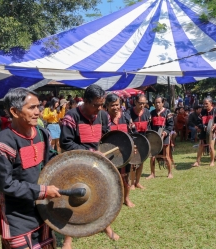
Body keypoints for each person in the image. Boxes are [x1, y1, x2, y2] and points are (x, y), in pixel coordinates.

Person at [0, 87, 60, 249]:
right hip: (16, 216)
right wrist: (43, 191)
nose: (38, 112)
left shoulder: (42, 134)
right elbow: (5, 184)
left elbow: (51, 160)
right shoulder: (2, 144)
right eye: (31, 108)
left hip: (43, 210)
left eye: (38, 107)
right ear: (14, 111)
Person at [60, 85, 119, 247]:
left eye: (101, 105)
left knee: (100, 196)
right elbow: (65, 143)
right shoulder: (71, 117)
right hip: (75, 166)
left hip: (97, 166)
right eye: (96, 105)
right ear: (85, 101)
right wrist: (91, 152)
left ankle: (105, 226)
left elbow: (106, 139)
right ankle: (68, 238)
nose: (99, 108)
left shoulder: (103, 116)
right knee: (72, 201)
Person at [105, 93, 135, 207]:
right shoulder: (104, 118)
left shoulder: (126, 116)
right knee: (111, 177)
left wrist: (134, 146)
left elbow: (133, 133)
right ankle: (113, 201)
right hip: (110, 153)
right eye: (112, 105)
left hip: (125, 152)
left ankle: (126, 199)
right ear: (107, 106)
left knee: (126, 176)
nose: (116, 107)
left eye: (117, 104)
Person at [147, 96, 174, 179]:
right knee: (152, 156)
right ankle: (152, 173)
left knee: (166, 156)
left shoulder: (167, 112)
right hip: (154, 137)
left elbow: (170, 125)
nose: (157, 104)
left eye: (159, 102)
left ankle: (170, 173)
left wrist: (165, 132)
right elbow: (149, 125)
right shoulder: (152, 113)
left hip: (164, 137)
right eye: (156, 102)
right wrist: (151, 133)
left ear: (163, 103)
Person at [127, 94, 150, 190]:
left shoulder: (147, 113)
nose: (142, 106)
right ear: (135, 102)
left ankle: (138, 182)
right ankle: (132, 183)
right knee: (132, 162)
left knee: (141, 161)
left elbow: (149, 127)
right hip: (132, 140)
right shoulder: (129, 113)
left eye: (144, 104)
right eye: (140, 103)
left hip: (143, 140)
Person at [192, 97, 216, 167]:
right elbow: (198, 122)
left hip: (212, 131)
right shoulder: (202, 112)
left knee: (211, 146)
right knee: (200, 146)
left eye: (206, 103)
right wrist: (203, 127)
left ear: (211, 103)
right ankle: (197, 162)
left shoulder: (215, 110)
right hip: (204, 131)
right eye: (204, 103)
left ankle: (212, 161)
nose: (205, 105)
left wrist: (215, 125)